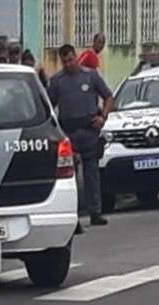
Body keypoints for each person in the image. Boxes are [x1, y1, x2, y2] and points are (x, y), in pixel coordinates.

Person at [48, 43, 114, 227]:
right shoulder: (57, 81)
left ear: (75, 57)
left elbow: (109, 97)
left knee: (92, 174)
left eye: (71, 60)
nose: (68, 64)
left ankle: (95, 212)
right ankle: (73, 217)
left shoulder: (90, 76)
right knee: (70, 177)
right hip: (69, 133)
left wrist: (103, 116)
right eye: (65, 62)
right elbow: (49, 107)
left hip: (89, 130)